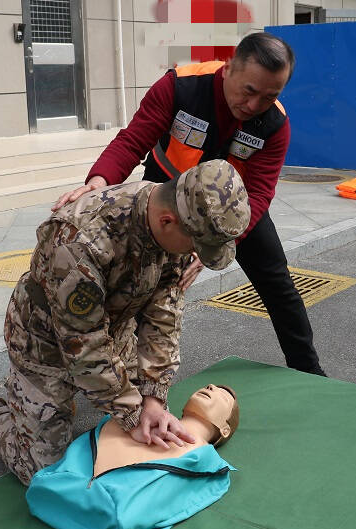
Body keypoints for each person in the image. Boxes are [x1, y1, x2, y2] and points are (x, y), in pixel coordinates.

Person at [0, 160, 250, 485]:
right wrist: (133, 412)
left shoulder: (177, 223)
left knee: (146, 427)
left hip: (113, 328)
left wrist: (152, 396)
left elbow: (164, 313)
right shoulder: (79, 240)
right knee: (47, 473)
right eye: (196, 247)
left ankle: (66, 406)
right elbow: (84, 345)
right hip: (45, 344)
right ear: (168, 221)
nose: (195, 256)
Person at [54, 32, 326, 377]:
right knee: (142, 283)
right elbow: (134, 138)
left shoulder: (275, 124)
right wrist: (98, 182)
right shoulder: (179, 88)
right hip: (167, 193)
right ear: (228, 70)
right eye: (249, 91)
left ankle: (309, 372)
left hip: (232, 208)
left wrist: (216, 243)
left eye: (269, 96)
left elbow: (259, 193)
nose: (255, 105)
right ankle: (128, 378)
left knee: (279, 285)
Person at [26, 384, 239, 529]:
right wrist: (134, 416)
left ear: (225, 429)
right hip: (56, 484)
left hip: (76, 500)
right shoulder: (130, 418)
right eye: (211, 386)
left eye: (223, 396)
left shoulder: (209, 466)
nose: (211, 387)